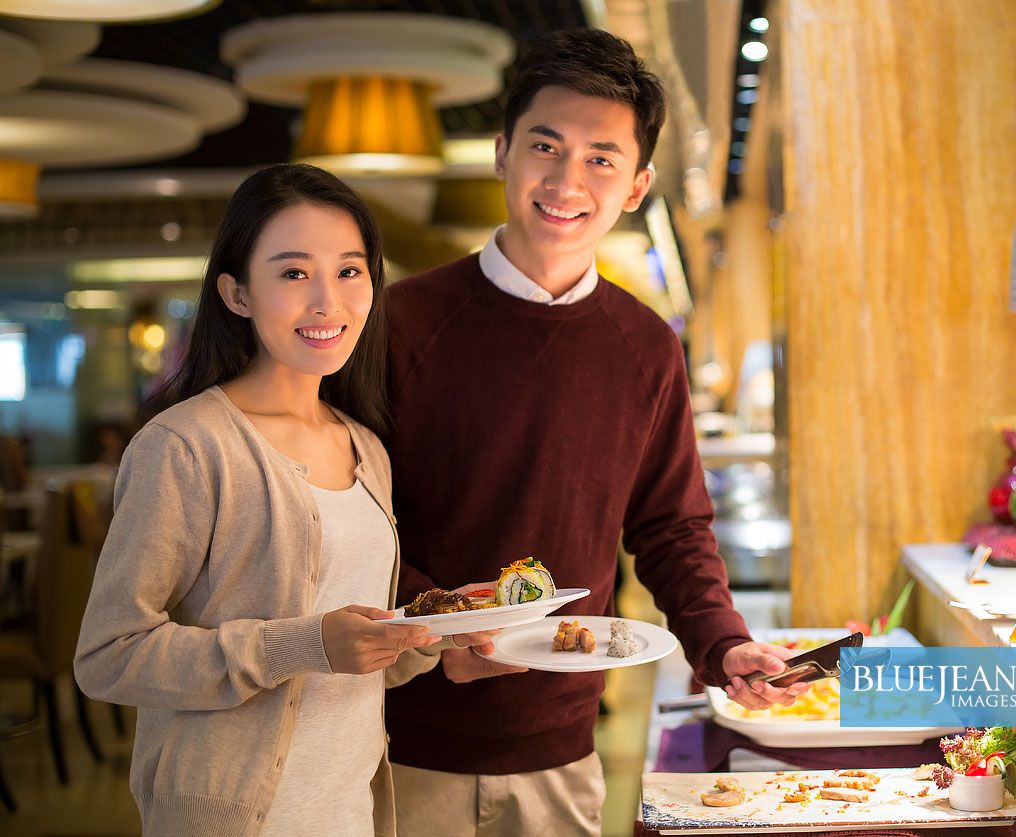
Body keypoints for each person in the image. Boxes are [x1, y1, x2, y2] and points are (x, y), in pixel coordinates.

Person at [383, 28, 808, 836]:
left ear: (638, 184)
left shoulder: (645, 345)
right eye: (545, 146)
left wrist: (721, 644)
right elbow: (344, 515)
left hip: (561, 746)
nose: (566, 179)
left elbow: (671, 523)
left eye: (601, 158)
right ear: (502, 152)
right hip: (402, 739)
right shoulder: (402, 322)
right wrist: (435, 625)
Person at [75, 163, 444, 837]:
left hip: (351, 811)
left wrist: (440, 637)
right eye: (294, 273)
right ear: (237, 292)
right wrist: (301, 644)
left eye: (350, 271)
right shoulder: (185, 446)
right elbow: (109, 654)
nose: (327, 301)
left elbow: (346, 656)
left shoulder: (366, 447)